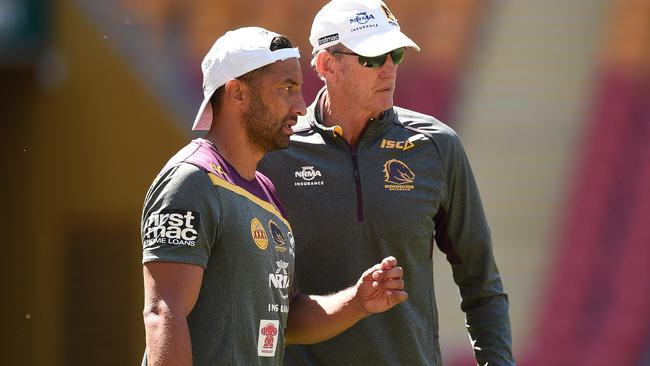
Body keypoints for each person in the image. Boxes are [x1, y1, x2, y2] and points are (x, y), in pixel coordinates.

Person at [259, 1, 515, 365]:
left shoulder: (436, 146)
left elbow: (481, 282)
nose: (389, 69)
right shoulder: (273, 151)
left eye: (395, 54)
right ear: (325, 65)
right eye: (372, 58)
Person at [140, 26, 407, 366]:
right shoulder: (192, 180)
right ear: (237, 93)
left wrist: (356, 301)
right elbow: (164, 312)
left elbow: (284, 317)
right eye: (287, 89)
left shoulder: (266, 192)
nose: (300, 106)